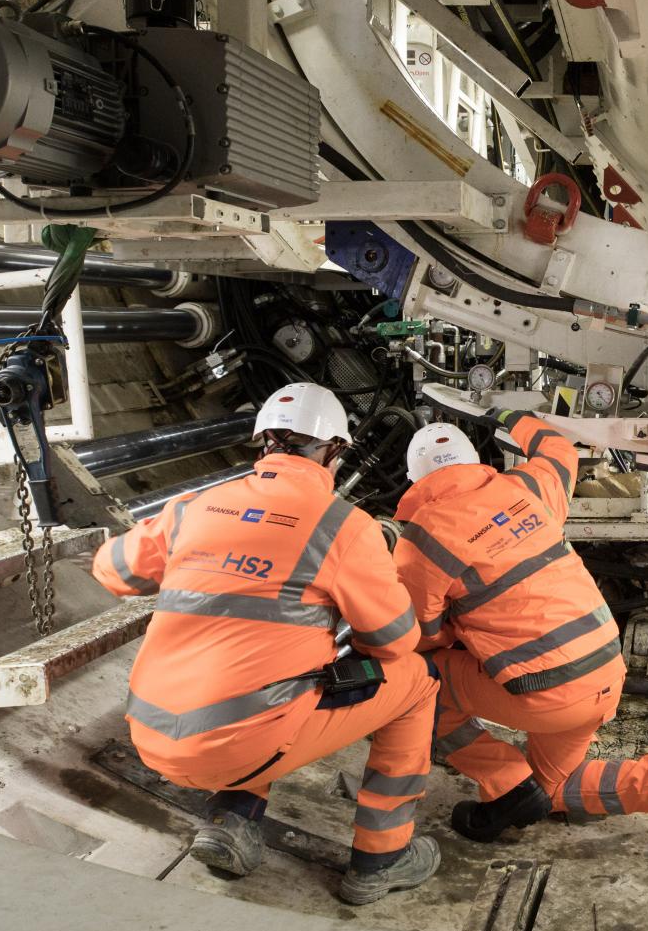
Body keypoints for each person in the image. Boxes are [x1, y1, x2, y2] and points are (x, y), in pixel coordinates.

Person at [91, 383, 441, 904]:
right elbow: (394, 641)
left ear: (263, 443)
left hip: (150, 731)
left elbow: (112, 571)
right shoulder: (344, 527)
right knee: (417, 681)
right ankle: (381, 857)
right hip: (237, 744)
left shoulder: (197, 506)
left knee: (263, 672)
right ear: (335, 450)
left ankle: (233, 816)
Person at [394, 409, 648, 855]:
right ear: (474, 460)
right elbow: (558, 449)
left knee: (415, 680)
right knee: (548, 791)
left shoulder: (423, 536)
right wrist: (513, 415)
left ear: (417, 480)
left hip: (547, 693)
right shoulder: (527, 487)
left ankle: (503, 780)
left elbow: (418, 637)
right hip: (605, 672)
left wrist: (459, 626)